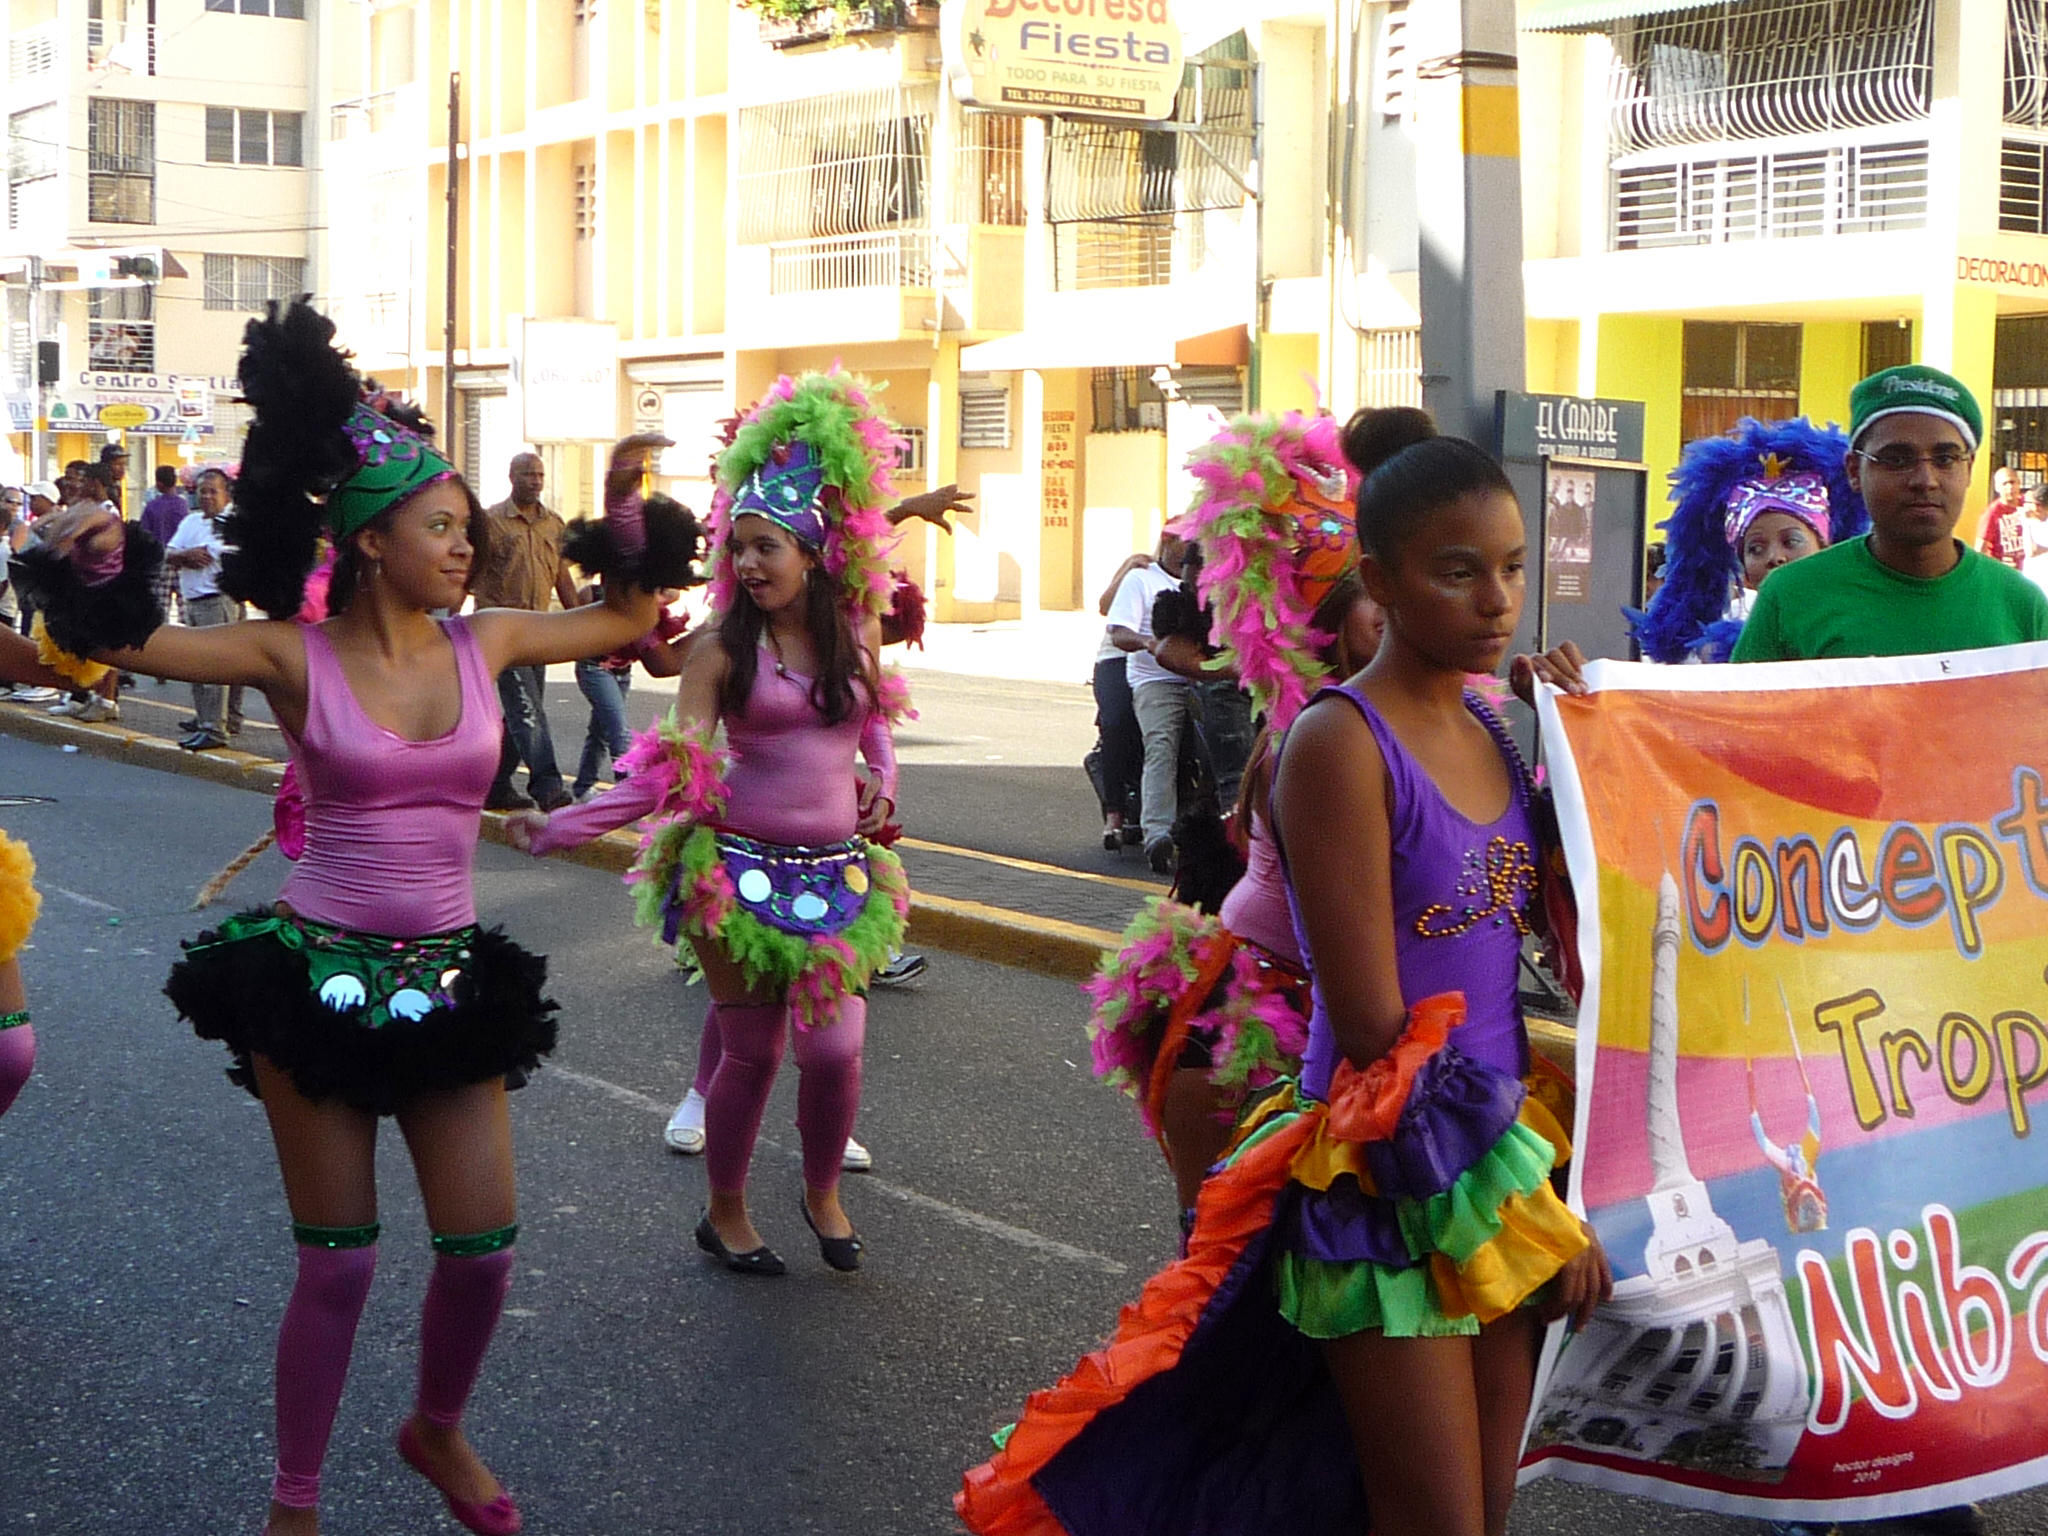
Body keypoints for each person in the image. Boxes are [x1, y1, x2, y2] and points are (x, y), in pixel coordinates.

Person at [23, 298, 689, 1536]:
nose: (465, 549)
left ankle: (435, 1428)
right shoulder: (291, 654)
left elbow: (623, 622)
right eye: (444, 528)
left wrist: (635, 494)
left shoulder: (484, 640)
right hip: (313, 974)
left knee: (483, 1251)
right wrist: (91, 556)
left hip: (446, 976)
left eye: (469, 529)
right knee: (339, 1262)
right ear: (373, 540)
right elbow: (132, 642)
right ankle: (296, 1504)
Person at [959, 434, 1611, 1536]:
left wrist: (1591, 742)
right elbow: (1371, 1027)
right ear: (1380, 579)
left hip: (1498, 1160)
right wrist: (1532, 1205)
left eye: (1510, 566)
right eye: (1456, 570)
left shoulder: (1493, 732)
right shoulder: (1337, 742)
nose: (1496, 600)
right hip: (1387, 1176)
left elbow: (1562, 923)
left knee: (1486, 1515)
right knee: (1431, 1521)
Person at [512, 370, 912, 1276]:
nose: (749, 566)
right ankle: (726, 1210)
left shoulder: (856, 634)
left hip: (840, 873)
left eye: (768, 548)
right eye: (739, 548)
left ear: (812, 552)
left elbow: (877, 722)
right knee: (755, 1051)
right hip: (736, 872)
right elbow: (672, 770)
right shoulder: (721, 649)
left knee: (837, 1048)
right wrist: (565, 826)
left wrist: (883, 783)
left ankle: (820, 1193)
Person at [1084, 406, 1404, 1236]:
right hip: (1254, 1032)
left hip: (1345, 1029)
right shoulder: (1320, 735)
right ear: (1329, 628)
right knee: (1228, 1277)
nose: (1396, 617)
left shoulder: (1411, 720)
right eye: (1373, 601)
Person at [1629, 417, 1867, 665]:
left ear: (1825, 547)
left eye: (1792, 541)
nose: (1775, 557)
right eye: (1756, 549)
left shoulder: (1860, 621)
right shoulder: (1710, 653)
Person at [474, 452, 579, 812]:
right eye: (527, 474)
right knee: (526, 710)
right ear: (511, 477)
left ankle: (496, 785)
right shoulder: (490, 522)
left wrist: (580, 624)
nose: (535, 481)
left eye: (539, 475)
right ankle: (547, 787)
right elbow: (468, 574)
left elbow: (562, 577)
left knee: (523, 712)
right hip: (503, 635)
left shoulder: (554, 524)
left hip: (541, 633)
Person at [1106, 531, 1194, 873]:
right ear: (1168, 542)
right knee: (1161, 745)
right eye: (1184, 542)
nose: (1190, 551)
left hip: (1205, 676)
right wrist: (1151, 644)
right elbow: (1119, 632)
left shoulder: (1215, 581)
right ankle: (1157, 834)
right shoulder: (1142, 580)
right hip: (1158, 678)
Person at [164, 469, 247, 750]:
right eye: (202, 491)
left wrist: (188, 555)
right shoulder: (191, 520)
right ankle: (207, 719)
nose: (207, 496)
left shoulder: (234, 522)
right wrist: (184, 555)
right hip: (193, 600)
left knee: (215, 667)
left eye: (213, 491)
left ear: (226, 493)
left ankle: (216, 728)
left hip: (218, 599)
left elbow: (219, 553)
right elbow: (171, 553)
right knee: (197, 665)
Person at [1089, 551, 1154, 851]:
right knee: (1116, 723)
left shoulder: (1197, 572)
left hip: (1162, 663)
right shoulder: (1141, 567)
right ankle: (1114, 811)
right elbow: (1104, 606)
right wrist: (1127, 567)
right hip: (1119, 657)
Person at [140, 464, 190, 626]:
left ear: (159, 483)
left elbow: (144, 534)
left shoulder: (152, 506)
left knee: (161, 607)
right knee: (185, 605)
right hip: (182, 559)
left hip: (160, 560)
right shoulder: (183, 505)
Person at [1973, 464, 2026, 570]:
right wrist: (1997, 565)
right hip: (2004, 573)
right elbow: (1979, 549)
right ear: (1997, 487)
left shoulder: (2028, 504)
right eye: (2004, 484)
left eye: (2012, 482)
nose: (2010, 487)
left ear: (2019, 483)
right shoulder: (1992, 513)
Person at [2021, 483, 2048, 596]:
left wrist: (2025, 523)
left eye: (2028, 502)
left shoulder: (2027, 522)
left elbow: (2032, 550)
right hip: (2030, 582)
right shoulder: (2031, 521)